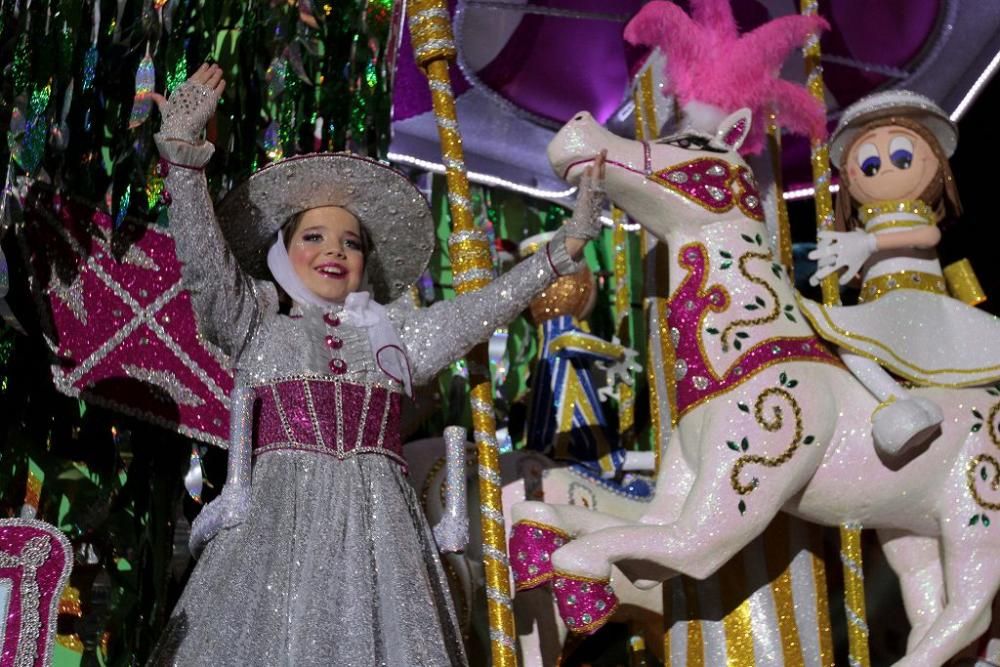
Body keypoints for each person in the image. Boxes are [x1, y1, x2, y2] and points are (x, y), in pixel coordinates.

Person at [147, 64, 605, 666]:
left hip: (381, 544)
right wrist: (183, 162)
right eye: (313, 237)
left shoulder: (397, 338)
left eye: (351, 241)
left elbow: (482, 309)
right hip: (275, 540)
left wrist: (562, 249)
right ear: (283, 255)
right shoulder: (257, 324)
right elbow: (205, 267)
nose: (334, 250)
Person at [799, 89, 1000, 458]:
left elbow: (929, 236)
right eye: (872, 166)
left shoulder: (911, 221)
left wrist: (869, 245)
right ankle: (899, 404)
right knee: (847, 342)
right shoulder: (862, 231)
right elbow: (853, 270)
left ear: (934, 161)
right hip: (881, 306)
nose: (886, 170)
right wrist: (844, 262)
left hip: (922, 302)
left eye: (902, 157)